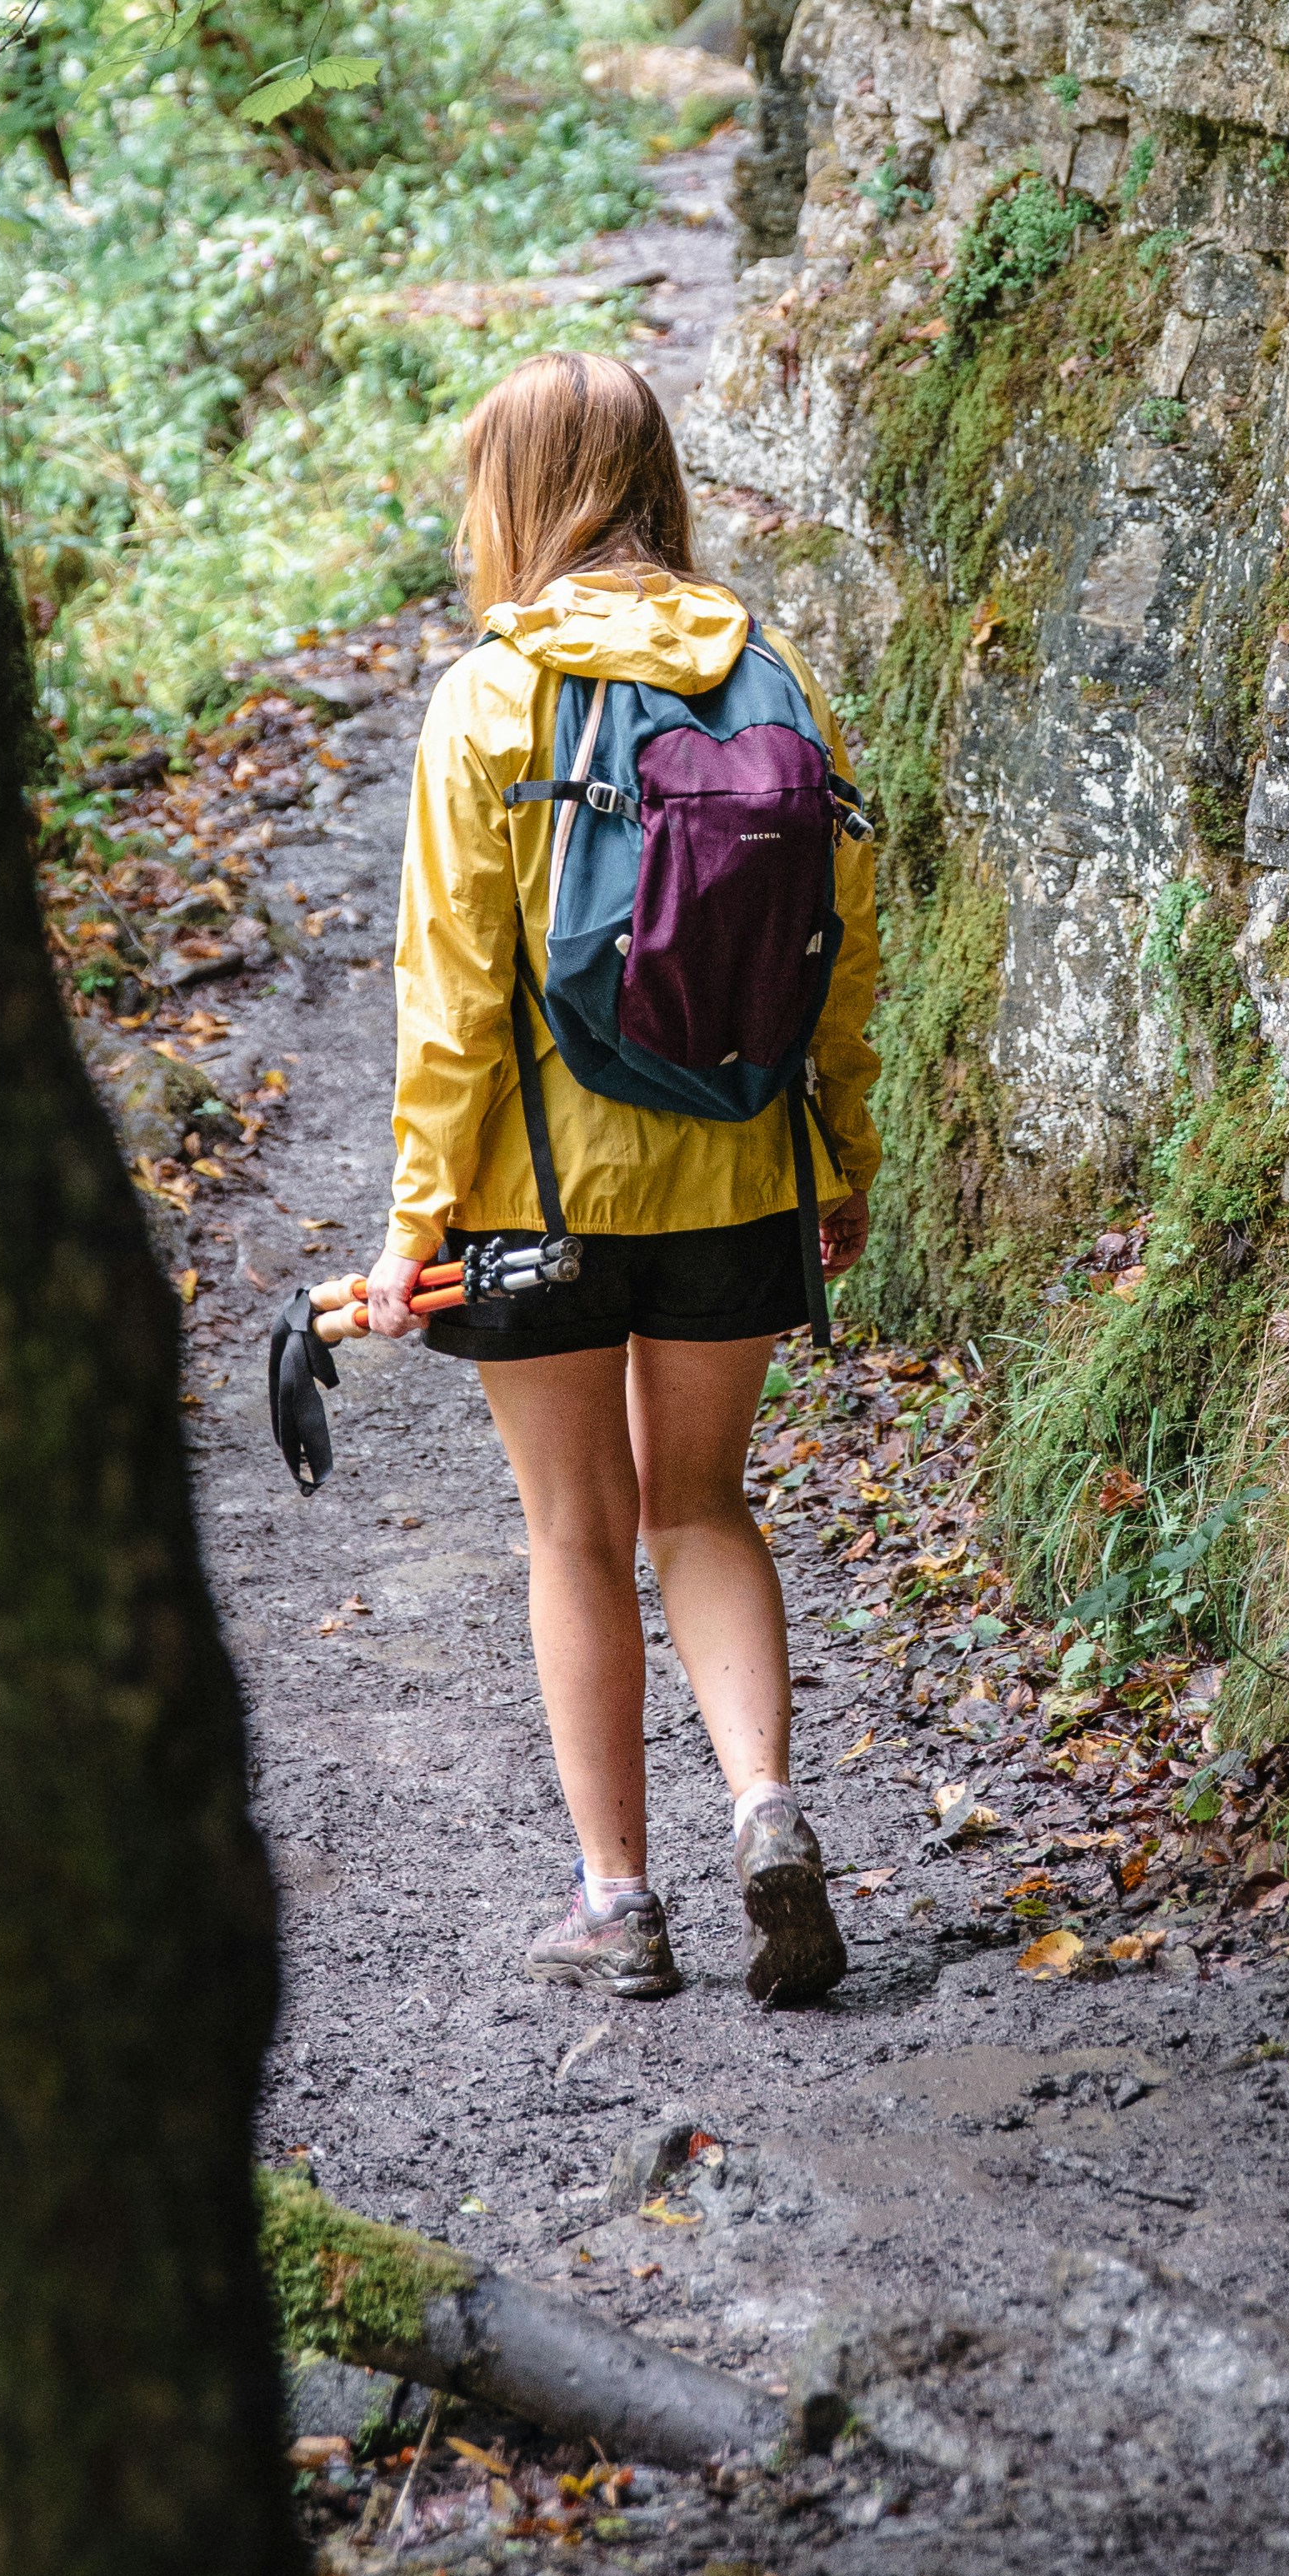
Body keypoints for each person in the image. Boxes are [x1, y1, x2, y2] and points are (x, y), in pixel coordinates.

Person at [313, 350, 877, 2008]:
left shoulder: (490, 699)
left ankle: (618, 1906)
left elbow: (449, 1007)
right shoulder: (770, 672)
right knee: (700, 1504)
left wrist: (418, 1228)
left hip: (536, 1208)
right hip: (736, 1174)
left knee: (574, 1533)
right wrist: (833, 1154)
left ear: (516, 495)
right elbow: (839, 958)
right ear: (652, 481)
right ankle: (764, 1801)